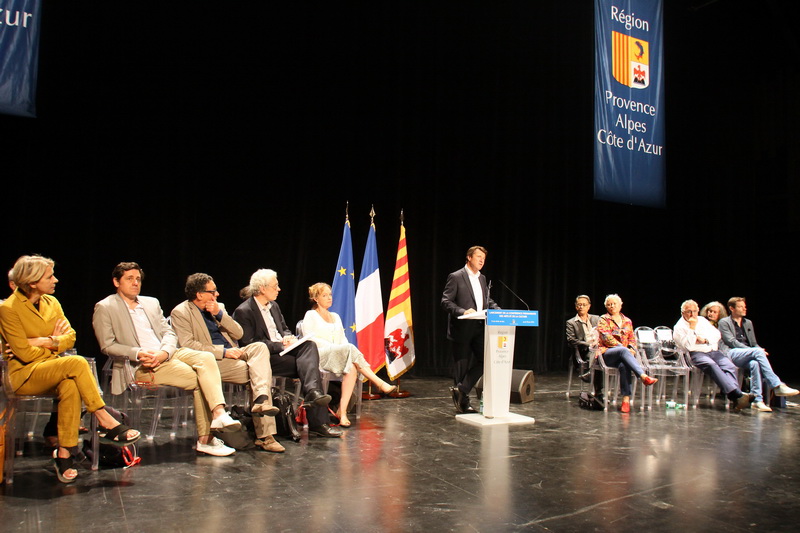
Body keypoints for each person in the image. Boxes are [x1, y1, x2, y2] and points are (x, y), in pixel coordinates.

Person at [0, 255, 140, 483]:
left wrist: (44, 341)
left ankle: (64, 454)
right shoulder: (9, 308)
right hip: (24, 375)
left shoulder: (51, 303)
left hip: (53, 368)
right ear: (33, 281)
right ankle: (104, 418)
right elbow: (23, 355)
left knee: (70, 384)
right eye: (49, 276)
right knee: (76, 363)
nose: (55, 280)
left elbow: (71, 337)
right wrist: (53, 342)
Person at [93, 262, 251, 457]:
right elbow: (107, 345)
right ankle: (206, 439)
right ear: (116, 282)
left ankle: (218, 414)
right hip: (141, 363)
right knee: (201, 379)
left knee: (206, 357)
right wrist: (138, 352)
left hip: (168, 353)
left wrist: (165, 352)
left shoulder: (150, 303)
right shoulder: (105, 307)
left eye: (138, 279)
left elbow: (168, 332)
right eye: (129, 279)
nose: (135, 283)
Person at [170, 273, 285, 452]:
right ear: (199, 294)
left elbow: (239, 334)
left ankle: (261, 400)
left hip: (234, 354)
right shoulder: (181, 312)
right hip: (211, 361)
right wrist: (223, 351)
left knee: (260, 348)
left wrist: (219, 314)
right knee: (259, 372)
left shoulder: (218, 308)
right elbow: (188, 345)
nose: (217, 294)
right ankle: (266, 436)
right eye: (212, 291)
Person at [231, 269, 342, 438]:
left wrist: (288, 337)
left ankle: (313, 394)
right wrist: (279, 345)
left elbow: (283, 328)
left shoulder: (274, 306)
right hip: (266, 358)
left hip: (285, 351)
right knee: (310, 368)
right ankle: (318, 420)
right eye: (275, 286)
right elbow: (249, 344)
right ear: (262, 288)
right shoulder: (244, 311)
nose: (279, 289)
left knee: (309, 346)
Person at [303, 282, 397, 427]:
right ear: (316, 298)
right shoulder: (311, 315)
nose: (329, 298)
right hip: (319, 355)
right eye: (324, 295)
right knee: (349, 349)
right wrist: (334, 348)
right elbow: (309, 339)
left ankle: (343, 411)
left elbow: (343, 340)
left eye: (330, 295)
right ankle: (378, 382)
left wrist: (340, 349)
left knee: (352, 367)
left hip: (339, 355)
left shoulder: (335, 316)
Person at [441, 245, 501, 414]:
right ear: (469, 257)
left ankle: (461, 389)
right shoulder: (456, 276)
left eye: (484, 258)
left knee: (487, 359)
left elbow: (486, 301)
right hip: (461, 328)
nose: (482, 260)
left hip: (480, 327)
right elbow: (446, 301)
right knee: (462, 366)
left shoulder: (482, 278)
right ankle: (463, 403)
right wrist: (462, 311)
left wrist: (498, 310)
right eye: (478, 257)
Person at [718, 297, 798, 412]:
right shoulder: (724, 322)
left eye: (744, 306)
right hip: (731, 353)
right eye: (741, 307)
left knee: (755, 363)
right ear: (732, 308)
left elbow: (754, 343)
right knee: (757, 353)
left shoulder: (748, 323)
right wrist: (754, 351)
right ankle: (777, 385)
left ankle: (757, 400)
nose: (744, 309)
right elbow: (731, 341)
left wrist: (759, 349)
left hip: (747, 354)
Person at [673, 299, 753, 411]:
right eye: (689, 312)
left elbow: (717, 335)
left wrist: (705, 340)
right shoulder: (679, 327)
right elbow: (689, 346)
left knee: (730, 366)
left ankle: (736, 397)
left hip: (713, 351)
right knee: (711, 365)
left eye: (695, 311)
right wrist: (691, 328)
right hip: (696, 354)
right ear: (683, 313)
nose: (692, 314)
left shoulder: (702, 320)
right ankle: (737, 395)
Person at [595, 294, 657, 413]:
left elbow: (632, 338)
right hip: (606, 353)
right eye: (609, 304)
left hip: (624, 355)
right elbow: (606, 337)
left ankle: (626, 400)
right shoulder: (603, 319)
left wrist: (631, 348)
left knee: (624, 366)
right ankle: (643, 376)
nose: (612, 306)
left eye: (614, 304)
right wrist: (624, 348)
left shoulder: (627, 321)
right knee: (623, 351)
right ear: (606, 306)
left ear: (620, 305)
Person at [565, 294, 601, 393]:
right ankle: (598, 390)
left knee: (602, 354)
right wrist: (588, 345)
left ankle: (592, 375)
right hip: (583, 351)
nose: (581, 307)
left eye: (584, 305)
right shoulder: (571, 322)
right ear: (576, 306)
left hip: (599, 348)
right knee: (595, 354)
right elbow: (571, 340)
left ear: (589, 306)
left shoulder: (596, 319)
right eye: (579, 304)